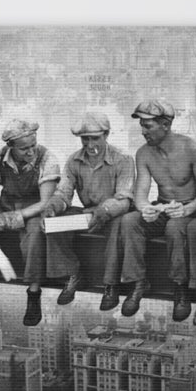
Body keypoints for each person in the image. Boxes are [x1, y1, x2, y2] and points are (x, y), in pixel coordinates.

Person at [41, 112, 135, 309]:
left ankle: (111, 284)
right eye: (86, 139)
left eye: (95, 138)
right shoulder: (74, 160)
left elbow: (124, 199)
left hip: (113, 213)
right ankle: (73, 273)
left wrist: (102, 212)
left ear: (106, 135)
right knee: (54, 224)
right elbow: (64, 192)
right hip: (88, 213)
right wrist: (53, 206)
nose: (90, 144)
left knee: (118, 226)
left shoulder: (123, 159)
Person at [0, 119, 62, 327]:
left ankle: (33, 292)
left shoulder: (47, 158)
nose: (31, 152)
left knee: (34, 234)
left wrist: (9, 219)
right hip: (7, 202)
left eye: (33, 145)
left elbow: (44, 202)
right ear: (10, 147)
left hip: (33, 208)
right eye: (24, 149)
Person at [130, 99, 196, 322]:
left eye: (148, 125)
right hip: (163, 206)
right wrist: (145, 209)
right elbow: (140, 194)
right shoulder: (143, 154)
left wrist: (187, 209)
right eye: (142, 125)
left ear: (165, 125)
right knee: (130, 221)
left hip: (190, 210)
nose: (143, 131)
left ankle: (180, 288)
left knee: (175, 228)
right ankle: (137, 281)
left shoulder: (193, 149)